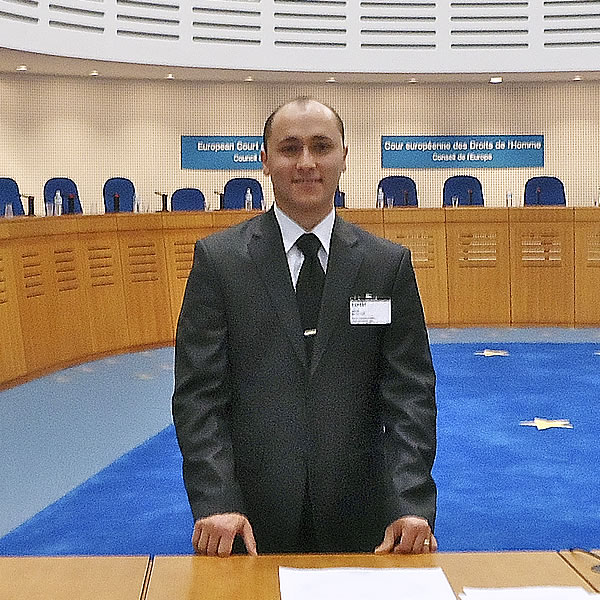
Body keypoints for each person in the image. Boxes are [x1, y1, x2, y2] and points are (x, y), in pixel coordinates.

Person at [172, 97, 437, 557]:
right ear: (265, 161)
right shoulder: (220, 262)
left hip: (366, 520)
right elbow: (199, 396)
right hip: (247, 520)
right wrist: (217, 498)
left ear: (344, 158)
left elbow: (409, 394)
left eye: (321, 147)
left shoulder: (385, 266)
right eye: (290, 148)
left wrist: (409, 502)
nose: (307, 163)